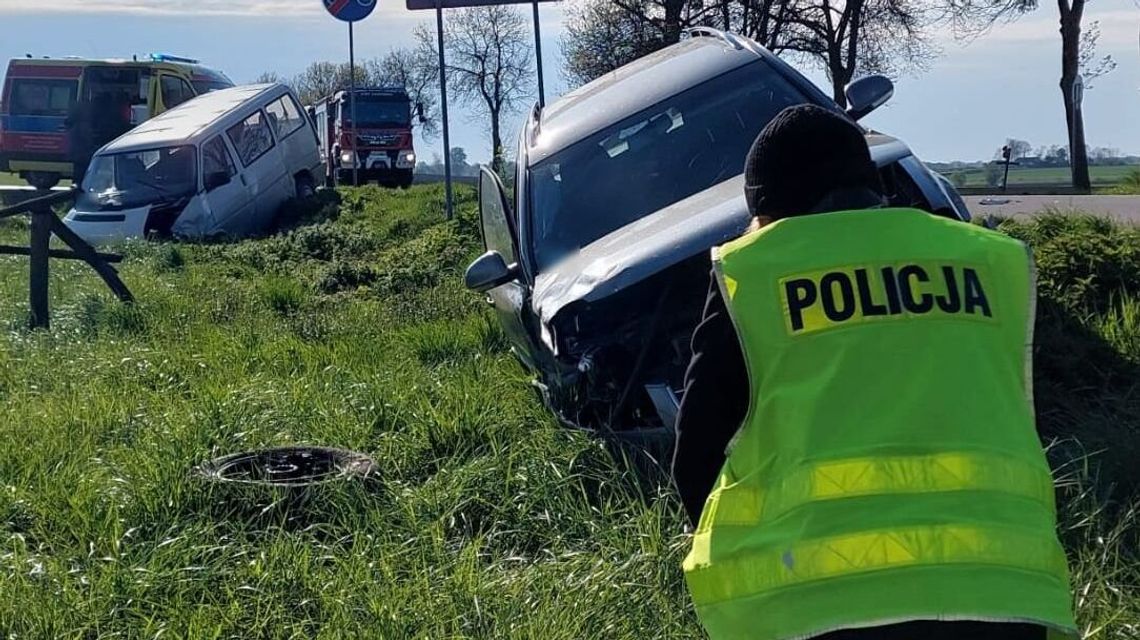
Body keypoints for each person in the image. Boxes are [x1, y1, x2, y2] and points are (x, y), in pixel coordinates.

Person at [672, 104, 1077, 640]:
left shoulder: (758, 272)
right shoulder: (986, 262)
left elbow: (695, 455)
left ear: (768, 214)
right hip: (1005, 594)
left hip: (826, 608)